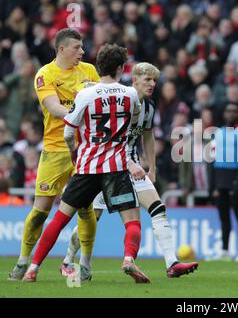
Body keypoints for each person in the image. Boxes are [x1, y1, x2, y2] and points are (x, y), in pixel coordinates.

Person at [22, 44, 148, 283]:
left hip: (87, 166)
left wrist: (74, 153)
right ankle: (129, 260)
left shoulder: (86, 95)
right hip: (117, 168)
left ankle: (33, 268)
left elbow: (69, 133)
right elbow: (134, 124)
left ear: (97, 67)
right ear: (121, 68)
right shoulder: (131, 94)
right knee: (132, 221)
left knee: (60, 219)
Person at [60, 62, 198, 278]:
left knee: (158, 208)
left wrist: (151, 167)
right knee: (92, 218)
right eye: (147, 79)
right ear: (134, 80)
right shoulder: (121, 99)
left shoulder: (149, 106)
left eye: (154, 80)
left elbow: (148, 136)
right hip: (107, 167)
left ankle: (171, 263)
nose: (152, 84)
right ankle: (68, 258)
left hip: (132, 168)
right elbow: (107, 137)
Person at [8, 28, 99, 281]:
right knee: (40, 211)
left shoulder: (90, 71)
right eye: (76, 48)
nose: (82, 52)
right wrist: (80, 110)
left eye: (82, 47)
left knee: (85, 209)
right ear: (61, 49)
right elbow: (55, 108)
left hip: (84, 150)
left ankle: (86, 263)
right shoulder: (45, 74)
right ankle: (22, 261)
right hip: (55, 149)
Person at [209, 103, 238, 261]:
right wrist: (212, 186)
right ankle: (225, 250)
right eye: (228, 110)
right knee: (223, 217)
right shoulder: (217, 133)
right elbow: (212, 161)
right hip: (220, 179)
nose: (231, 113)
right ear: (224, 113)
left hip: (235, 178)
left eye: (234, 111)